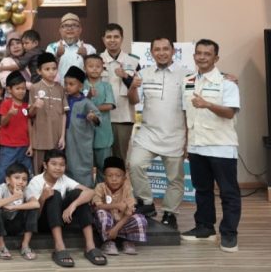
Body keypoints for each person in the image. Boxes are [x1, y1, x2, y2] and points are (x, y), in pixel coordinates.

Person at [180, 39, 241, 253]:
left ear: (216, 58)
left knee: (228, 192)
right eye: (199, 53)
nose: (202, 57)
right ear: (194, 56)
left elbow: (230, 112)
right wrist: (186, 143)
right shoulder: (187, 81)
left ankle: (229, 234)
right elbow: (187, 114)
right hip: (197, 146)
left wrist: (208, 104)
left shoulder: (227, 83)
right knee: (202, 190)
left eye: (207, 54)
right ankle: (205, 228)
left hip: (221, 146)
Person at [127, 37, 186, 227]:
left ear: (173, 51)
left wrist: (226, 76)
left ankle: (170, 213)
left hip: (175, 135)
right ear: (151, 53)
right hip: (148, 134)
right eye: (157, 49)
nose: (161, 53)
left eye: (165, 49)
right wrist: (132, 86)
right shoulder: (143, 73)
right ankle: (146, 203)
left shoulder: (185, 75)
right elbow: (134, 100)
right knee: (135, 164)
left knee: (175, 179)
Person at [25, 149, 106, 267]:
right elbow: (34, 216)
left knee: (79, 194)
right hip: (41, 223)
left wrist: (73, 205)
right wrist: (42, 198)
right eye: (54, 164)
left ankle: (90, 246)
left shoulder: (64, 178)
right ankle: (59, 247)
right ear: (45, 165)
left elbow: (90, 192)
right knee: (55, 194)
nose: (58, 168)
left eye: (62, 165)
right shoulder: (35, 182)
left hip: (60, 220)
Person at [99, 23, 140, 161]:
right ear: (103, 39)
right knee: (101, 158)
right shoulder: (96, 61)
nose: (112, 40)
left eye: (116, 37)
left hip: (124, 117)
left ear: (122, 38)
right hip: (101, 117)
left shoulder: (133, 61)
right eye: (108, 37)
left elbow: (136, 94)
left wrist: (125, 77)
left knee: (120, 158)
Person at [93, 156, 148, 256]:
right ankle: (108, 242)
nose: (114, 179)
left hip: (122, 223)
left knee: (140, 219)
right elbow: (96, 207)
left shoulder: (127, 189)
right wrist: (116, 205)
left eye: (118, 176)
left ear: (124, 178)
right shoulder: (100, 187)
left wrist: (115, 229)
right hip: (107, 225)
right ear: (104, 177)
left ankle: (127, 240)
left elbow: (130, 212)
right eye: (110, 176)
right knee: (101, 214)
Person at [0, 163, 39, 261]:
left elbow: (36, 204)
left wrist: (14, 207)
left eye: (24, 179)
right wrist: (14, 197)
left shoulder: (26, 189)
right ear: (8, 180)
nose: (21, 182)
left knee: (33, 209)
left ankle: (25, 246)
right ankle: (1, 246)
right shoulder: (2, 188)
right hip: (2, 224)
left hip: (17, 225)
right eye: (17, 178)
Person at [28, 52, 67, 174]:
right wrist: (35, 106)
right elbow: (30, 115)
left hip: (56, 139)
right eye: (47, 69)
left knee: (55, 170)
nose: (51, 72)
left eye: (54, 69)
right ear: (39, 71)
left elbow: (63, 114)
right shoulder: (34, 88)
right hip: (39, 139)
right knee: (38, 171)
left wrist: (62, 137)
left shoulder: (60, 88)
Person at [0, 72, 33, 187]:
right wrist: (10, 114)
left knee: (27, 172)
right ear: (9, 89)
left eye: (23, 88)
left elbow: (29, 126)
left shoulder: (26, 106)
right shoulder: (6, 104)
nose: (21, 91)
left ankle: (27, 194)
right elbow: (2, 123)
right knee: (4, 171)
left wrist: (31, 144)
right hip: (9, 146)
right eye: (18, 88)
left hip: (24, 146)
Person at [63, 66, 100, 186]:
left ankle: (86, 190)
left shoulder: (86, 103)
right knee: (66, 165)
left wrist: (93, 117)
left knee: (81, 167)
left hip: (81, 143)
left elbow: (98, 118)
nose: (67, 86)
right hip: (66, 140)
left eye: (71, 84)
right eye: (66, 83)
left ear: (80, 86)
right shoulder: (64, 100)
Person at [84, 53, 116, 177]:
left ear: (102, 68)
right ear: (84, 68)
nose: (94, 69)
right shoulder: (80, 85)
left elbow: (110, 105)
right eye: (91, 66)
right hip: (84, 131)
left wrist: (92, 109)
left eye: (98, 66)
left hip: (103, 132)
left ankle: (101, 188)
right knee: (85, 167)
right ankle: (87, 189)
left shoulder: (106, 86)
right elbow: (77, 104)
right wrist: (88, 98)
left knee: (103, 167)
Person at [44, 13, 96, 80]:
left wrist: (85, 57)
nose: (70, 28)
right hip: (57, 86)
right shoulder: (52, 47)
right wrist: (57, 56)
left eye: (74, 25)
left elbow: (95, 73)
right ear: (60, 30)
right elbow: (46, 71)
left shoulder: (89, 48)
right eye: (65, 26)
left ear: (80, 29)